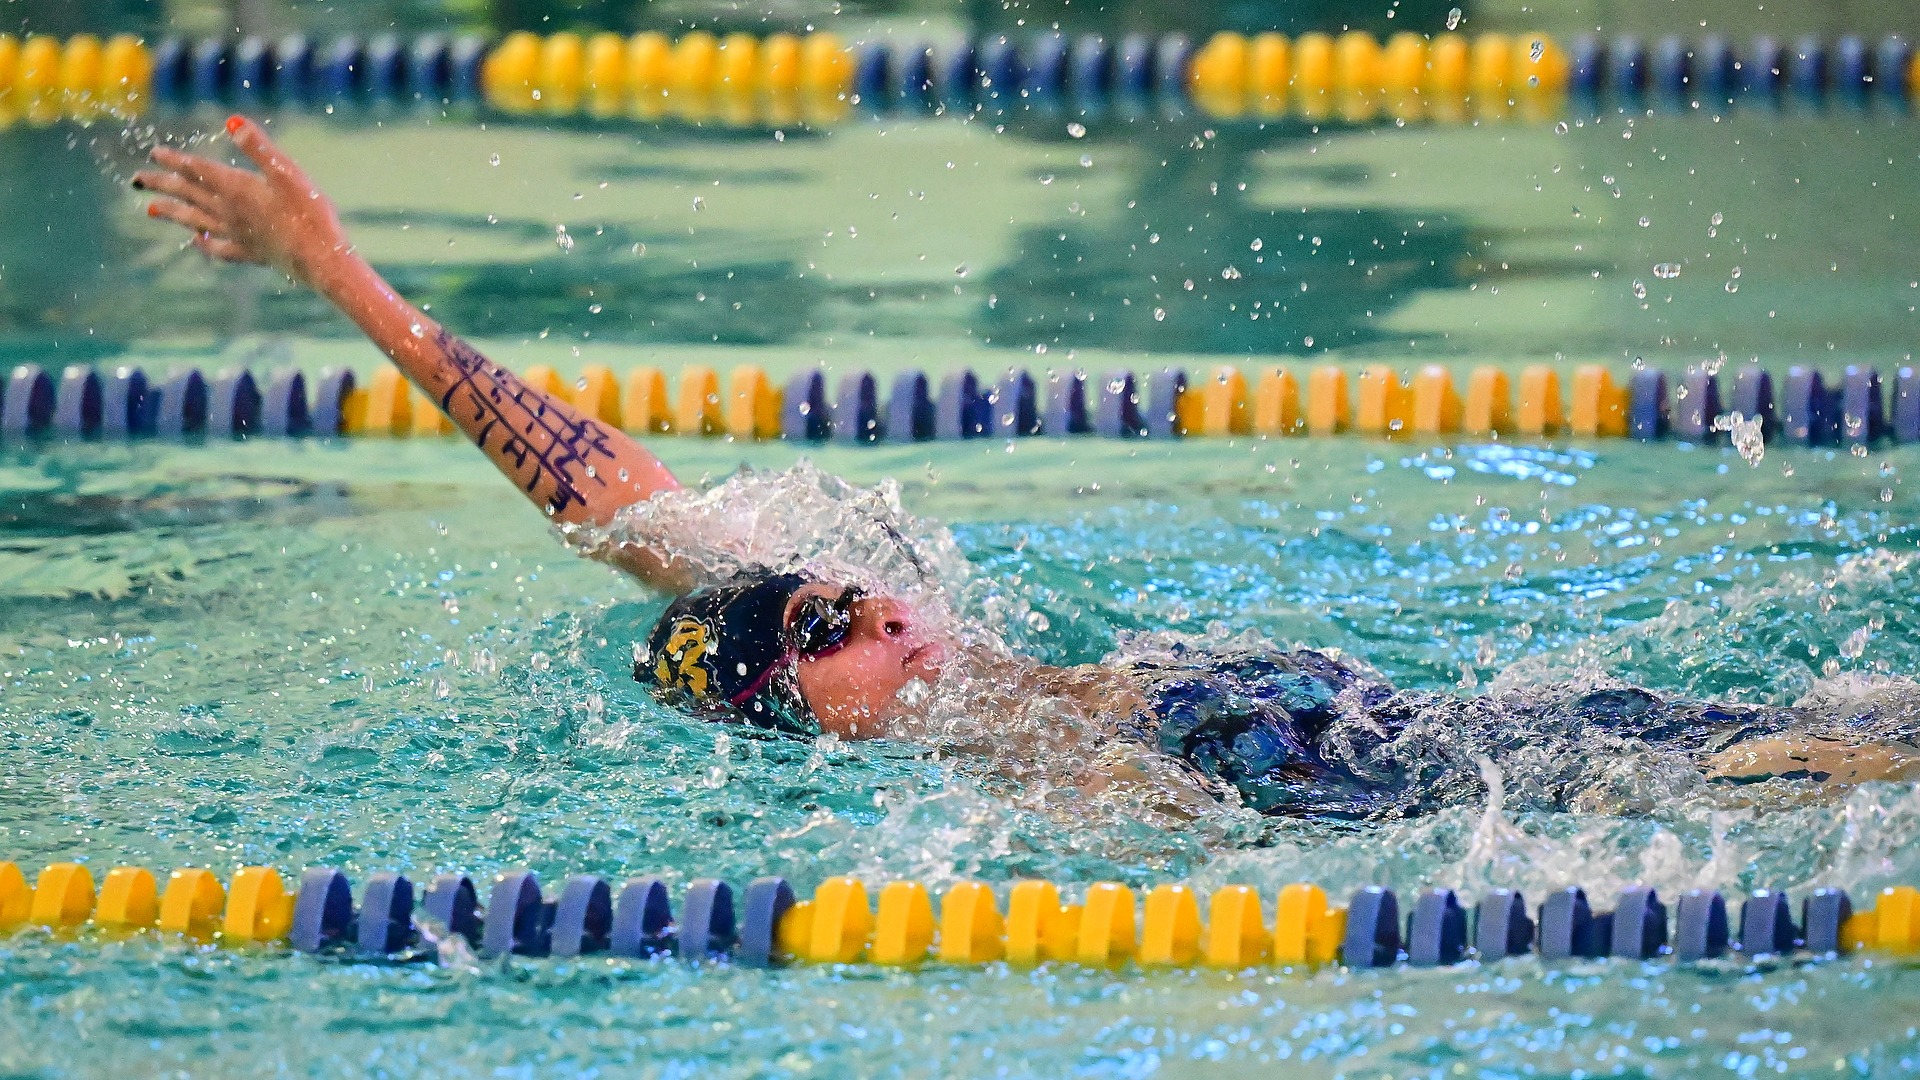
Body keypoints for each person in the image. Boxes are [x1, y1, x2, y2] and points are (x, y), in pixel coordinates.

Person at [134, 116, 1920, 820]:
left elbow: (610, 499)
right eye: (831, 623)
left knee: (1820, 715)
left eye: (841, 590)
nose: (875, 600)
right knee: (1787, 766)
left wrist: (337, 277)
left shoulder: (883, 652)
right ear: (810, 711)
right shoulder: (971, 773)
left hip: (1382, 715)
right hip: (1338, 779)